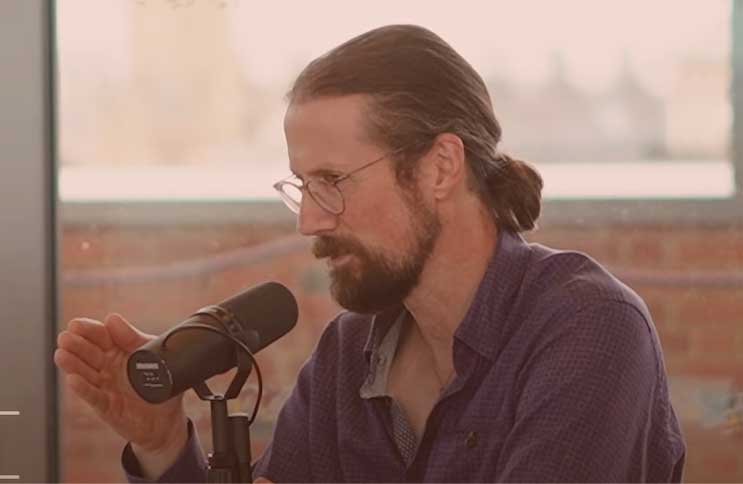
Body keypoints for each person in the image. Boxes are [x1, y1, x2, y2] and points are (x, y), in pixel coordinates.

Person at [54, 24, 686, 482]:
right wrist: (164, 445)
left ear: (440, 167)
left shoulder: (589, 330)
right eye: (302, 186)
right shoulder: (347, 355)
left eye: (332, 181)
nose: (308, 220)